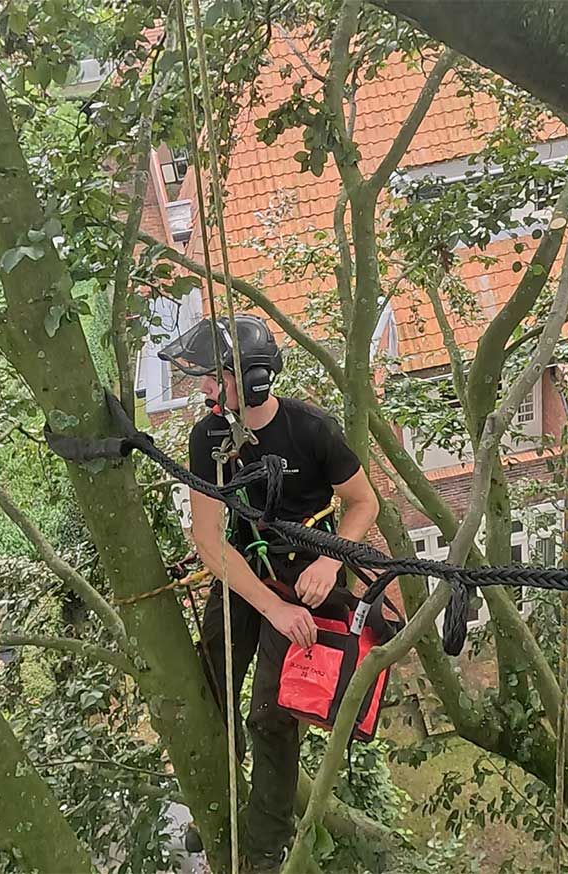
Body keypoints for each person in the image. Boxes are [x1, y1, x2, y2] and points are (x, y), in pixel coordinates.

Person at [161, 314, 378, 870]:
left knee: (273, 713)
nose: (206, 390)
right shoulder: (210, 436)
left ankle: (263, 845)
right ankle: (222, 799)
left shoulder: (311, 429)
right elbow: (210, 540)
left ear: (251, 380)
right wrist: (271, 607)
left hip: (310, 574)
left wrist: (332, 561)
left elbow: (363, 504)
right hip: (244, 564)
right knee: (209, 679)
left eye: (215, 378)